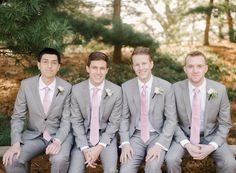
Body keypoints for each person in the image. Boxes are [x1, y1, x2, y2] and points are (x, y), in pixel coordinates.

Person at [2, 48, 72, 173]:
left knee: (60, 160)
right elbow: (18, 117)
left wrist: (58, 141)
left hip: (58, 135)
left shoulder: (67, 88)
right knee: (12, 159)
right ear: (38, 64)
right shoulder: (26, 85)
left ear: (58, 66)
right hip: (34, 136)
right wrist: (16, 142)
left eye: (54, 62)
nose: (49, 66)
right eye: (45, 62)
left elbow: (67, 120)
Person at [165, 50, 236, 173]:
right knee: (171, 159)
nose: (195, 70)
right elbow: (171, 121)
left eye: (199, 66)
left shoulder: (219, 90)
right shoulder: (175, 89)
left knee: (229, 163)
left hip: (211, 136)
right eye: (190, 66)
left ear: (206, 69)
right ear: (185, 69)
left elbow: (225, 124)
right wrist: (187, 144)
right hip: (183, 136)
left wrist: (212, 146)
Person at [119, 47, 177, 173]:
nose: (141, 68)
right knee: (125, 170)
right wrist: (125, 143)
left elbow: (171, 120)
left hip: (158, 135)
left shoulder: (166, 87)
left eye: (144, 63)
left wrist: (159, 144)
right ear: (133, 67)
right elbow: (123, 118)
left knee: (152, 167)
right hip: (135, 136)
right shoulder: (126, 87)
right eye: (137, 64)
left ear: (151, 64)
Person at [68, 51, 122, 173]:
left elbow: (114, 123)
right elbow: (76, 122)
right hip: (83, 136)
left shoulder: (116, 91)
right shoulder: (76, 90)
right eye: (94, 68)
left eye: (102, 68)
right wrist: (84, 148)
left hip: (106, 137)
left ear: (107, 70)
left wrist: (99, 147)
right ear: (88, 69)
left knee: (111, 170)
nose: (98, 72)